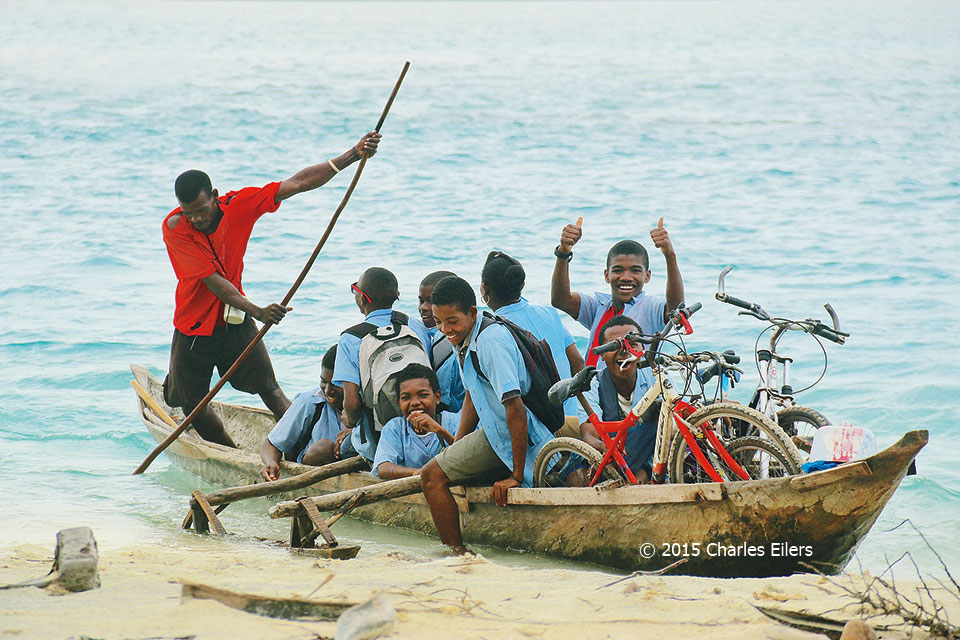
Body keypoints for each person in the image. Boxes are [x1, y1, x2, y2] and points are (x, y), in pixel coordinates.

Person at [161, 131, 381, 447]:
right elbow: (213, 282)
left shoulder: (239, 204)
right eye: (189, 212)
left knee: (270, 388)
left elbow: (296, 184)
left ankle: (305, 446)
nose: (196, 218)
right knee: (192, 407)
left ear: (215, 196)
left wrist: (353, 154)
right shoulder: (175, 228)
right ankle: (231, 452)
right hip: (194, 325)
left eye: (202, 210)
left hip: (235, 318)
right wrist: (259, 311)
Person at [420, 276, 554, 553]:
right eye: (438, 321)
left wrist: (516, 476)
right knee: (446, 468)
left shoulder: (490, 341)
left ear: (472, 312)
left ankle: (456, 553)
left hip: (514, 432)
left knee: (431, 477)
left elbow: (515, 408)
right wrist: (457, 445)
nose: (445, 329)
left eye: (452, 321)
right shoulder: (465, 336)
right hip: (497, 431)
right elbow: (472, 394)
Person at [550, 218, 684, 370]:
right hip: (593, 389)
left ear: (647, 276)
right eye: (618, 270)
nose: (626, 277)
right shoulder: (598, 306)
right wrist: (563, 252)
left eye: (635, 270)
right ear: (607, 275)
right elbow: (561, 300)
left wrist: (670, 255)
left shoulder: (650, 307)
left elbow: (677, 311)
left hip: (638, 390)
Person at [332, 267, 432, 461]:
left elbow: (352, 404)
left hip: (376, 443)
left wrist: (348, 421)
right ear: (397, 296)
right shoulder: (415, 326)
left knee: (332, 447)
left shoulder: (350, 339)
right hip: (426, 431)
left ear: (362, 298)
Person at [480, 250, 584, 429]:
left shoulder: (492, 330)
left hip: (539, 428)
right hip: (574, 419)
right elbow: (578, 363)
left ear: (484, 288)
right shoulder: (549, 313)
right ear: (522, 285)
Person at [579, 316, 657, 484]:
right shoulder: (593, 385)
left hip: (646, 455)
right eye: (615, 345)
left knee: (656, 418)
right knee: (577, 474)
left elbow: (680, 411)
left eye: (632, 344)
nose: (624, 350)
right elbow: (589, 432)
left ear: (643, 350)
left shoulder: (655, 376)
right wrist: (603, 448)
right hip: (608, 453)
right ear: (601, 354)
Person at [259, 345, 344, 482]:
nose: (327, 391)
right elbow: (271, 444)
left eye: (335, 383)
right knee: (323, 448)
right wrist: (271, 462)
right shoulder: (309, 401)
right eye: (323, 381)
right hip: (312, 473)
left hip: (353, 466)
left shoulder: (368, 405)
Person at [371, 363, 459, 479]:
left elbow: (467, 456)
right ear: (399, 402)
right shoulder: (395, 428)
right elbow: (383, 468)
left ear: (437, 397)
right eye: (406, 398)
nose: (415, 403)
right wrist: (417, 473)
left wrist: (441, 431)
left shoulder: (454, 422)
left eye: (423, 395)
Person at [415, 270, 465, 413]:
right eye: (421, 300)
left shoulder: (445, 340)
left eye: (431, 301)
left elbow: (440, 402)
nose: (423, 307)